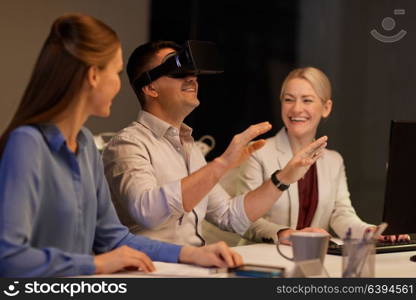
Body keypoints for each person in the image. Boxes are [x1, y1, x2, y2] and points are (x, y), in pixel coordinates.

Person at [0, 14, 246, 277]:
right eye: (116, 72)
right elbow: (9, 256)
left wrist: (192, 254)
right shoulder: (28, 144)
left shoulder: (83, 144)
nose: (121, 84)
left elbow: (114, 239)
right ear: (94, 76)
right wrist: (96, 265)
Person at [102, 41, 328, 246]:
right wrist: (221, 164)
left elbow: (228, 216)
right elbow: (147, 211)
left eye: (193, 71)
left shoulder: (189, 148)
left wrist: (284, 178)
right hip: (152, 273)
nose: (192, 78)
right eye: (178, 70)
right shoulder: (127, 145)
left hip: (193, 269)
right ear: (150, 88)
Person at [237, 67, 408, 244]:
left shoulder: (334, 160)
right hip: (263, 259)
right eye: (289, 100)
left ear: (326, 108)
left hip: (314, 259)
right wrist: (286, 234)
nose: (296, 109)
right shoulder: (258, 151)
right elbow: (244, 218)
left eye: (307, 100)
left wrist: (369, 232)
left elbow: (341, 214)